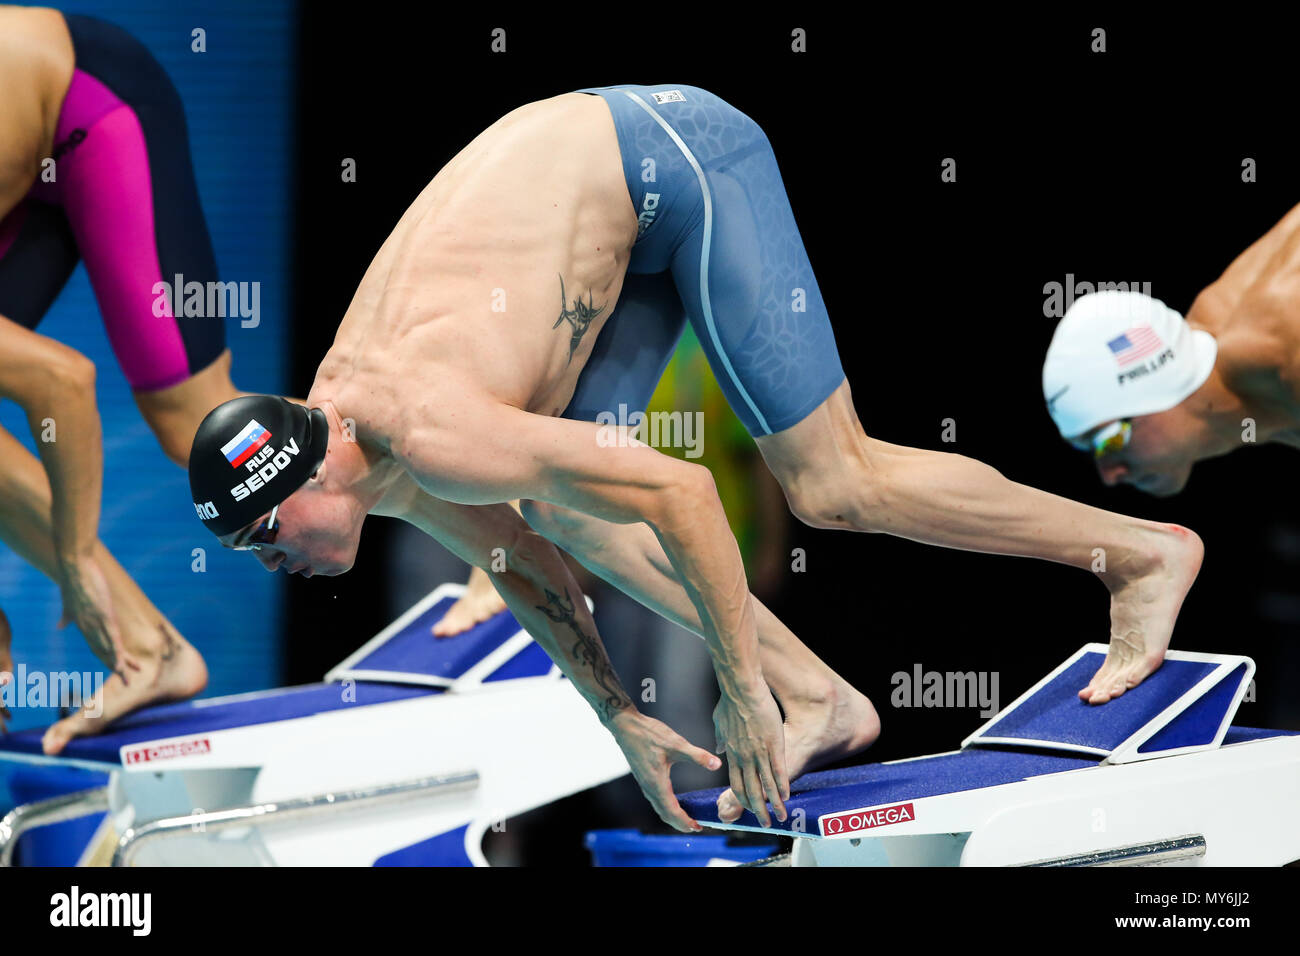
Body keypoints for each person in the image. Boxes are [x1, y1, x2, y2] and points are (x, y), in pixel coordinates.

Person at [188, 85, 1202, 829]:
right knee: (567, 515)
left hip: (674, 159)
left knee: (832, 483)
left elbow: (684, 489)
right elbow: (524, 565)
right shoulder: (366, 452)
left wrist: (734, 691)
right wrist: (618, 717)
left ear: (311, 473)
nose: (267, 560)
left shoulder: (428, 433)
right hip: (589, 212)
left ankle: (1137, 553)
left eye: (264, 534)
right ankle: (822, 695)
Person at [0, 7, 230, 749]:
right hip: (19, 151)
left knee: (200, 427)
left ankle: (497, 509)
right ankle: (152, 651)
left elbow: (63, 382)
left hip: (88, 104)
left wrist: (72, 558)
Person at [1044, 204, 1300, 497]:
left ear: (1155, 387)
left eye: (1108, 442)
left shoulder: (1286, 345)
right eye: (1088, 449)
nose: (1110, 475)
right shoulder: (1250, 378)